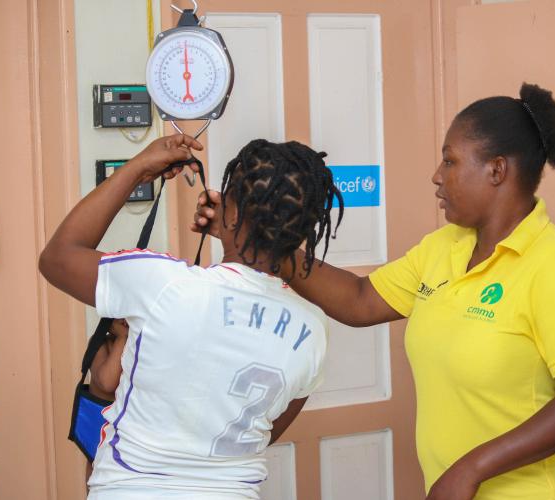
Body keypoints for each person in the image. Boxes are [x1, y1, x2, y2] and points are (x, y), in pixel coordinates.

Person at [194, 83, 555, 500]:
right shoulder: (445, 247)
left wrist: (471, 469)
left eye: (450, 161)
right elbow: (360, 299)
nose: (437, 176)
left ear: (497, 170)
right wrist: (258, 237)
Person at [39, 134, 342, 499]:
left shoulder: (162, 283)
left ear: (230, 213)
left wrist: (137, 169)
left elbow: (58, 258)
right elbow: (267, 428)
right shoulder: (312, 328)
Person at [85, 318, 129, 480]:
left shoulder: (142, 344)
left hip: (130, 434)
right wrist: (122, 338)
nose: (125, 319)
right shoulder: (101, 343)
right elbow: (107, 382)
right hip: (99, 427)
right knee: (99, 473)